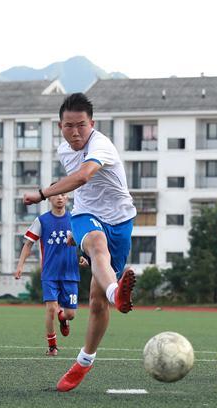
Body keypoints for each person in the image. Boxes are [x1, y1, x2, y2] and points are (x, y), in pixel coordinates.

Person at [22, 92, 137, 392]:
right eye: (68, 126)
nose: (75, 132)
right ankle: (118, 293)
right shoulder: (64, 148)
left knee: (97, 302)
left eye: (81, 126)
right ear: (59, 125)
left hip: (121, 221)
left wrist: (42, 193)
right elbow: (82, 188)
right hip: (86, 215)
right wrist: (78, 231)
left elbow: (84, 176)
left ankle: (84, 360)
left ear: (92, 124)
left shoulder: (101, 144)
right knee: (97, 244)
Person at [15, 191, 82, 356]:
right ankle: (52, 346)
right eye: (56, 195)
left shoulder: (75, 219)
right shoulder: (42, 220)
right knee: (50, 309)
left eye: (63, 195)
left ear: (67, 198)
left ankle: (63, 317)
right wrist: (20, 265)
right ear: (50, 198)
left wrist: (85, 258)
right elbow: (28, 244)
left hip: (70, 273)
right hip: (49, 274)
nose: (59, 197)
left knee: (71, 314)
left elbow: (86, 241)